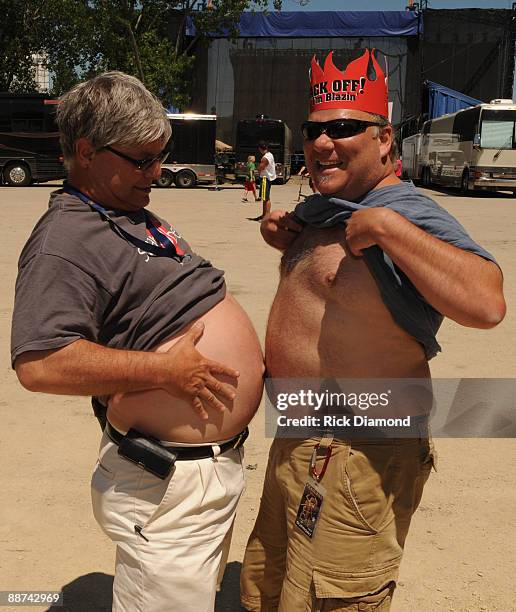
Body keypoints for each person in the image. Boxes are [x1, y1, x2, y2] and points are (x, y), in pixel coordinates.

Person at [240, 49, 506, 611]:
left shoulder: (401, 208)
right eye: (315, 129)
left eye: (343, 128)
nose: (322, 142)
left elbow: (486, 302)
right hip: (298, 437)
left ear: (385, 141)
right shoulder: (330, 208)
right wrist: (290, 240)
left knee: (334, 600)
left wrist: (390, 230)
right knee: (269, 588)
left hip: (363, 446)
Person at [10, 71, 264, 612]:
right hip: (164, 484)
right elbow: (40, 364)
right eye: (142, 160)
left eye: (160, 157)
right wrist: (163, 372)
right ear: (87, 152)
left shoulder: (126, 212)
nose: (157, 172)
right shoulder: (64, 241)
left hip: (203, 475)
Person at [250, 141, 276, 221]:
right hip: (267, 178)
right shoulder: (270, 155)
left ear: (260, 149)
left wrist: (255, 170)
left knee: (266, 198)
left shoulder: (265, 157)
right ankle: (264, 215)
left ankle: (266, 216)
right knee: (265, 198)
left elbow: (261, 167)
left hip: (265, 178)